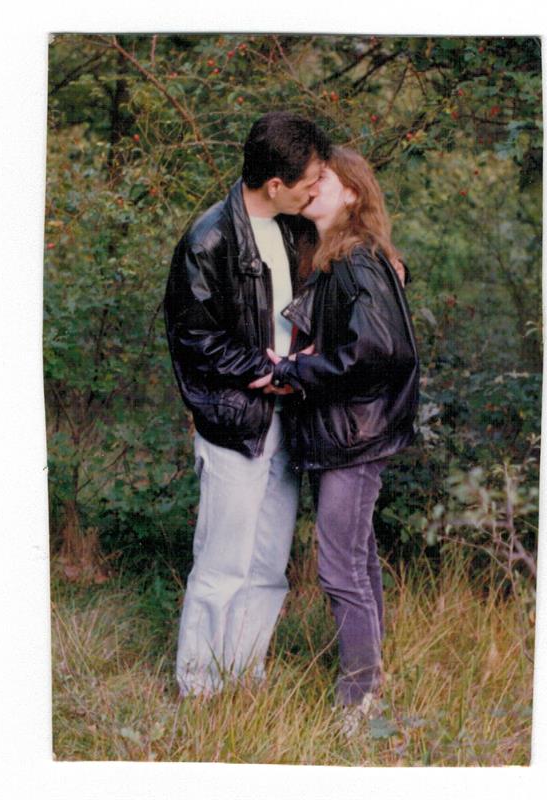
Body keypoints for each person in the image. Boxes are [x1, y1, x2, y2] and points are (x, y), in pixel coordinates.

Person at [249, 147, 419, 729]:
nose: (312, 184)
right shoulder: (335, 257)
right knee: (357, 558)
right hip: (349, 432)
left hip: (354, 434)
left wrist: (294, 370)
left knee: (340, 568)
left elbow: (377, 349)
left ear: (353, 193)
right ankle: (371, 682)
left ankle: (359, 700)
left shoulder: (354, 259)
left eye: (325, 178)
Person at [163, 112, 331, 698]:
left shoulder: (295, 229)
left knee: (267, 565)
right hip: (235, 423)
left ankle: (243, 674)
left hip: (290, 418)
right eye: (309, 180)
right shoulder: (208, 239)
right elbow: (193, 338)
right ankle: (199, 687)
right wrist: (264, 370)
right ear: (275, 184)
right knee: (222, 564)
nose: (317, 188)